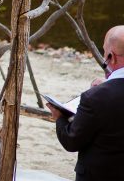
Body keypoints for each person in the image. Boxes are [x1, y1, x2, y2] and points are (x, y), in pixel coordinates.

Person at [47, 25, 124, 181]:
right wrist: (109, 82)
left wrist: (60, 117)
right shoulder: (99, 94)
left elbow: (71, 141)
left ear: (111, 56)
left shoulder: (95, 97)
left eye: (104, 51)